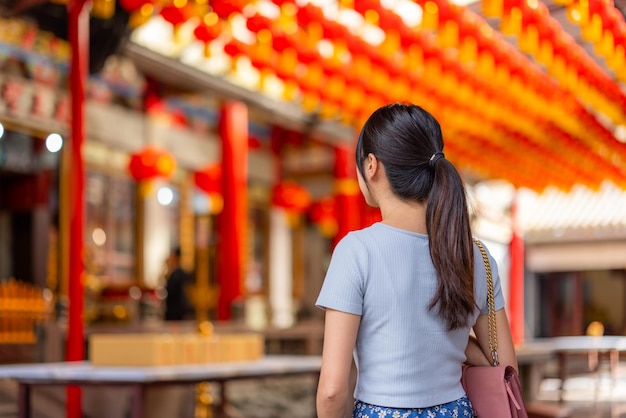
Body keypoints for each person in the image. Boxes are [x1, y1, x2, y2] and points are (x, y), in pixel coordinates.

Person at [315, 103, 518, 418]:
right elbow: (505, 367)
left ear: (371, 165)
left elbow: (331, 392)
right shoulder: (476, 256)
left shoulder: (356, 251)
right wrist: (456, 343)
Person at [163, 247, 194, 321]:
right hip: (179, 310)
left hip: (176, 311)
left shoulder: (177, 274)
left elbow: (171, 290)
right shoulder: (180, 273)